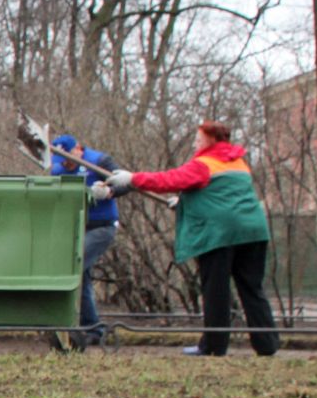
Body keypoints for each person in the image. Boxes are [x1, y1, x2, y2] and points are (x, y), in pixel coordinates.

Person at [107, 120, 280, 357]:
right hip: (253, 231)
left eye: (198, 140)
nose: (195, 144)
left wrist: (132, 178)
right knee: (252, 288)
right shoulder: (239, 162)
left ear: (210, 141)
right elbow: (221, 194)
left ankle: (213, 346)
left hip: (221, 234)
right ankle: (267, 344)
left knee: (216, 290)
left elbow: (168, 180)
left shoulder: (203, 164)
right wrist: (186, 201)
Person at [48, 134, 121, 349]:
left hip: (101, 227)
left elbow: (125, 183)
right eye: (63, 161)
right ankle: (92, 329)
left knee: (73, 267)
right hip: (76, 228)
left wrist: (109, 191)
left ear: (78, 149)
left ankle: (70, 326)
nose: (67, 164)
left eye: (70, 159)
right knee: (83, 277)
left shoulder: (99, 161)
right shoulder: (57, 167)